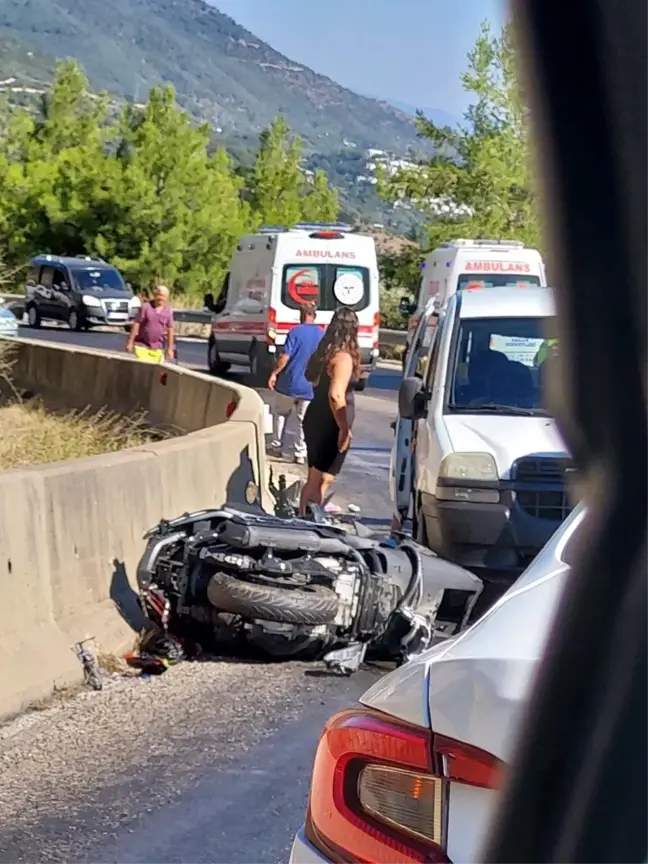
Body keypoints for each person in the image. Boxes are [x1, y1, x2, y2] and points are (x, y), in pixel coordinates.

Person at [300, 306, 359, 514]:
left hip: (315, 417)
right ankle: (309, 518)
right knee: (321, 480)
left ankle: (306, 514)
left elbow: (311, 378)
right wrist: (343, 428)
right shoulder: (343, 358)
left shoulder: (324, 353)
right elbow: (336, 395)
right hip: (329, 424)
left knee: (316, 477)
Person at [267, 301, 322, 465]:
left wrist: (274, 373)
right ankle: (300, 453)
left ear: (301, 315)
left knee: (280, 413)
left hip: (289, 383)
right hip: (309, 385)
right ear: (314, 315)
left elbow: (285, 357)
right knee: (302, 420)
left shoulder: (294, 332)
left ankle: (276, 446)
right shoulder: (322, 334)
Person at [125, 285, 175, 363]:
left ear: (166, 297)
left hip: (157, 348)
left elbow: (170, 330)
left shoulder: (168, 311)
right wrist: (130, 342)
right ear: (155, 295)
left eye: (163, 296)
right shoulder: (146, 307)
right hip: (142, 346)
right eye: (159, 295)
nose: (161, 298)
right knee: (144, 367)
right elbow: (136, 323)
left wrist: (170, 349)